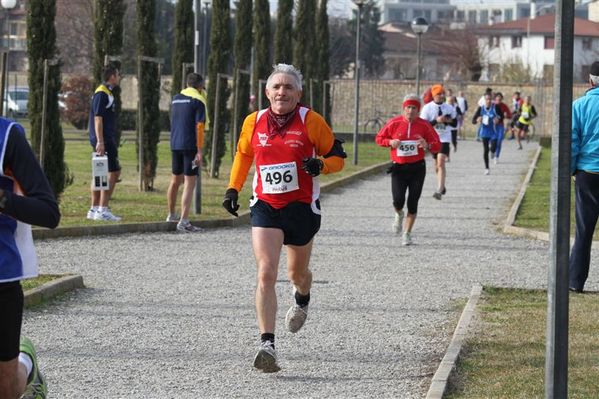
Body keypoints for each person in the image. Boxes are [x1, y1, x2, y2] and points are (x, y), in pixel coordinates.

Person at [222, 64, 346, 372]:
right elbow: (244, 155)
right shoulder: (254, 121)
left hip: (302, 208)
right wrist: (232, 189)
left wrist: (321, 165)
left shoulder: (311, 121)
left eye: (288, 87)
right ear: (267, 93)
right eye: (276, 86)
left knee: (296, 274)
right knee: (266, 272)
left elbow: (338, 158)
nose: (282, 91)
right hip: (266, 204)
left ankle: (302, 297)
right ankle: (267, 345)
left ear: (299, 94)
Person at [0, 117, 60, 398]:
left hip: (1, 277)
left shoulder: (7, 135)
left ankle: (26, 364)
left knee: (6, 389)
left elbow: (49, 212)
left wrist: (3, 200)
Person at [375, 94, 441, 245]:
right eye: (408, 107)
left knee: (413, 201)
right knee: (398, 200)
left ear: (418, 110)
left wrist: (427, 145)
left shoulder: (424, 125)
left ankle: (407, 233)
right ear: (404, 109)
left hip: (417, 168)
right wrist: (390, 142)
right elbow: (379, 138)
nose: (410, 111)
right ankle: (398, 214)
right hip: (399, 168)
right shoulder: (394, 123)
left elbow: (437, 144)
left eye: (414, 108)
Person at [569, 61, 599, 293]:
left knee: (584, 230)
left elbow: (572, 142)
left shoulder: (578, 106)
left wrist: (571, 169)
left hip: (588, 173)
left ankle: (575, 281)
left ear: (590, 81)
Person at [166, 73, 207, 232]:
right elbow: (200, 126)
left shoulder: (176, 99)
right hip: (190, 145)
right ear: (200, 86)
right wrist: (199, 150)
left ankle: (171, 214)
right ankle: (184, 221)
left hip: (175, 143)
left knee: (175, 180)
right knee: (190, 183)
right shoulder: (198, 101)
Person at [86, 64, 122, 222]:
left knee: (99, 172)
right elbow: (97, 118)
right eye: (118, 75)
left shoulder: (107, 92)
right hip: (104, 140)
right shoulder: (102, 93)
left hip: (104, 139)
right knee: (113, 172)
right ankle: (103, 209)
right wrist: (100, 141)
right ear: (112, 76)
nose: (119, 77)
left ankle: (94, 210)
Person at [420, 84, 457, 200]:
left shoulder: (449, 108)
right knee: (436, 165)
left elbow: (455, 124)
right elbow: (423, 126)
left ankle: (439, 190)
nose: (441, 96)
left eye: (442, 94)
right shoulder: (427, 108)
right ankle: (442, 185)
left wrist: (446, 120)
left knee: (441, 162)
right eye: (439, 94)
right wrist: (436, 121)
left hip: (444, 138)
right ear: (434, 95)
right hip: (432, 138)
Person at [471, 92, 503, 175]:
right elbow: (473, 121)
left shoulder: (495, 107)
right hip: (484, 132)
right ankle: (487, 168)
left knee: (493, 148)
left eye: (490, 99)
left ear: (492, 100)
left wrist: (498, 119)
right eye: (487, 99)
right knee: (485, 150)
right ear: (484, 100)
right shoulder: (481, 108)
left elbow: (501, 116)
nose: (488, 101)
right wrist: (477, 120)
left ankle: (492, 152)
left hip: (493, 131)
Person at [493, 92, 511, 164]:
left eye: (500, 99)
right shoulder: (492, 106)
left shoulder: (504, 106)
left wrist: (506, 116)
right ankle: (492, 150)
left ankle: (496, 157)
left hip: (500, 125)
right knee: (493, 141)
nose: (498, 101)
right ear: (495, 99)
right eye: (497, 99)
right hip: (492, 126)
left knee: (499, 140)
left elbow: (510, 115)